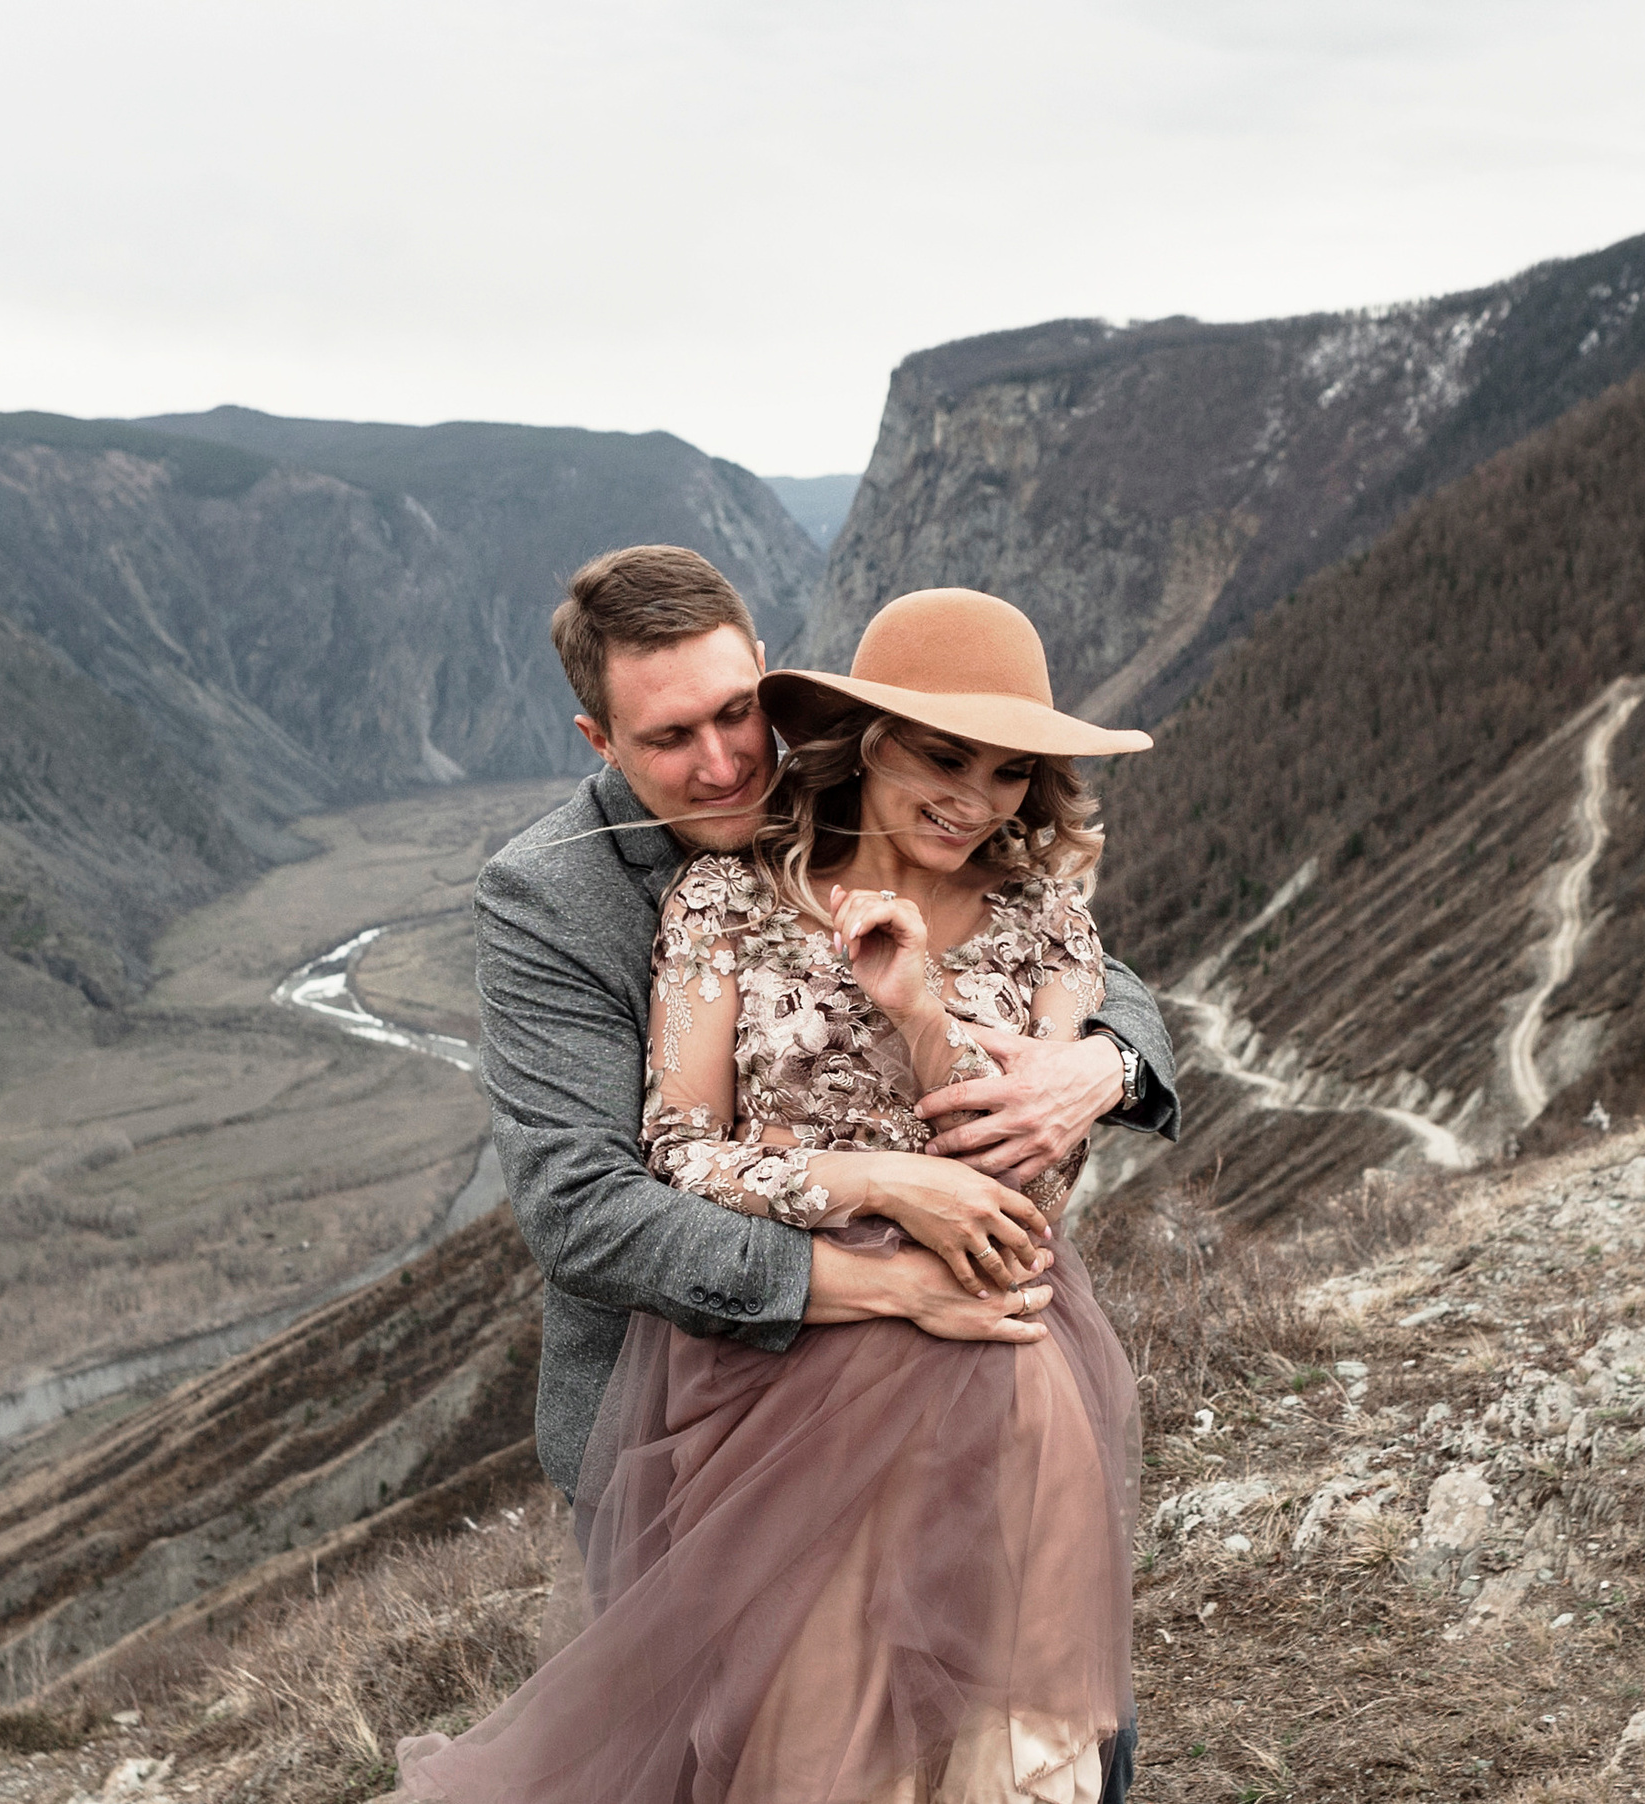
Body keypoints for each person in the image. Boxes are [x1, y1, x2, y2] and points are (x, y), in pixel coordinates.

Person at [401, 551, 1177, 1801]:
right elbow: (586, 1208)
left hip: (996, 1356)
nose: (720, 763)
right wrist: (890, 1232)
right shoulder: (560, 895)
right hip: (713, 1385)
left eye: (733, 714)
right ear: (599, 739)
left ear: (772, 683)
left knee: (1036, 1736)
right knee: (748, 1745)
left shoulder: (882, 816)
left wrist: (1103, 1060)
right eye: (669, 739)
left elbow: (1053, 969)